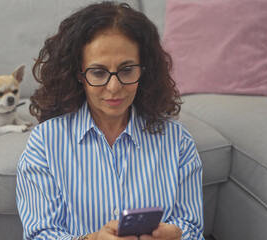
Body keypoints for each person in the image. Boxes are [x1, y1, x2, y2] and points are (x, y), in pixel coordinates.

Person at [16, 2, 204, 240]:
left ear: (144, 70)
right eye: (98, 72)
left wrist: (177, 236)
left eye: (127, 70)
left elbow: (192, 228)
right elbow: (40, 234)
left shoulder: (178, 141)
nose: (114, 87)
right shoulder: (45, 143)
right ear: (78, 74)